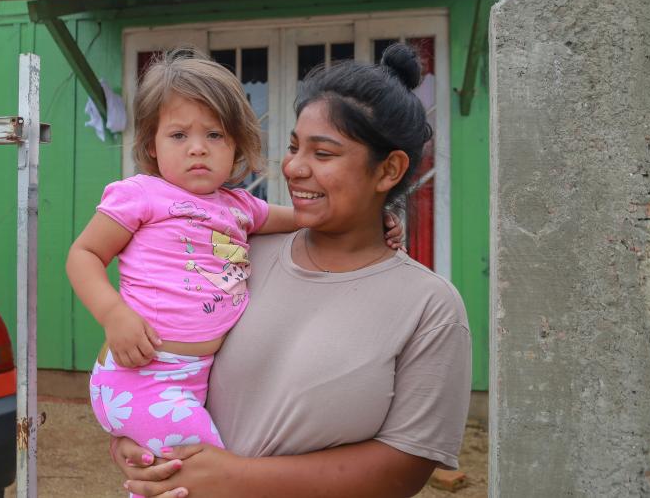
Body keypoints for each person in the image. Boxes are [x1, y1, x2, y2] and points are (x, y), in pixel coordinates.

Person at [113, 43, 472, 498]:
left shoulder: (429, 307)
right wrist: (138, 445)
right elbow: (156, 359)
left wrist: (235, 479)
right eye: (293, 146)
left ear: (389, 170)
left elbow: (405, 467)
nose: (294, 168)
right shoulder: (238, 253)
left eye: (323, 154)